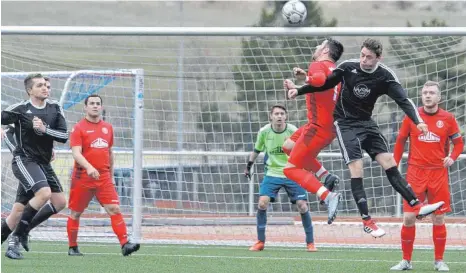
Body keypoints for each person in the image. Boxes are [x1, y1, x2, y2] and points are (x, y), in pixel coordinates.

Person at [285, 38, 444, 238]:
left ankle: (417, 205)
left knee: (388, 162)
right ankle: (367, 221)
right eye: (362, 55)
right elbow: (324, 83)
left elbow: (404, 100)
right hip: (344, 123)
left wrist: (418, 121)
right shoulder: (347, 67)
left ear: (379, 58)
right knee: (357, 167)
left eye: (369, 57)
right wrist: (299, 89)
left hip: (366, 122)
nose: (364, 60)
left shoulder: (385, 76)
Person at [390, 81, 464, 271]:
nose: (428, 96)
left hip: (438, 174)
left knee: (438, 219)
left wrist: (452, 157)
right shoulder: (412, 116)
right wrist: (393, 166)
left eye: (432, 93)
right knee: (408, 218)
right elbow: (400, 141)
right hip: (415, 173)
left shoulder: (448, 118)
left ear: (439, 97)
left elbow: (459, 144)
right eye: (425, 93)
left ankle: (439, 261)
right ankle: (406, 261)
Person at [1, 73, 68, 259]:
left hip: (43, 163)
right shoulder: (20, 109)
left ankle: (20, 231)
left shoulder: (55, 108)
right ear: (29, 90)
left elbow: (63, 136)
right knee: (44, 194)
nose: (45, 88)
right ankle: (18, 236)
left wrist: (45, 130)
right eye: (39, 85)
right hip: (25, 161)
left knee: (58, 203)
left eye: (47, 85)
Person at [67, 94, 140, 256]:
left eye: (98, 103)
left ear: (101, 107)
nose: (95, 106)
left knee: (114, 208)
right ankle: (72, 247)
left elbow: (109, 152)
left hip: (104, 178)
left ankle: (124, 244)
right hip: (82, 178)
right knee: (76, 213)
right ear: (85, 107)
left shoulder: (108, 128)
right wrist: (89, 167)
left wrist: (112, 175)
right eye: (91, 103)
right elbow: (76, 153)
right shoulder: (78, 128)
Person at [282, 38, 344, 224]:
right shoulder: (335, 70)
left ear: (325, 49)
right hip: (324, 127)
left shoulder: (318, 65)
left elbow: (318, 80)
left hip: (317, 128)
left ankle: (328, 196)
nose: (316, 47)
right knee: (288, 146)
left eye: (319, 45)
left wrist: (305, 78)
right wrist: (298, 88)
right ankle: (326, 176)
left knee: (290, 169)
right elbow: (322, 87)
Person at [245, 104, 316, 252]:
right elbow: (256, 150)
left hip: (293, 171)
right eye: (276, 114)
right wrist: (248, 167)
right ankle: (260, 242)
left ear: (286, 116)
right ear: (270, 116)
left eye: (282, 114)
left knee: (302, 205)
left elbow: (305, 150)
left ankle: (310, 243)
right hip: (272, 173)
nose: (279, 116)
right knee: (262, 203)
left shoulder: (293, 131)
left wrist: (310, 167)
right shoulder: (264, 132)